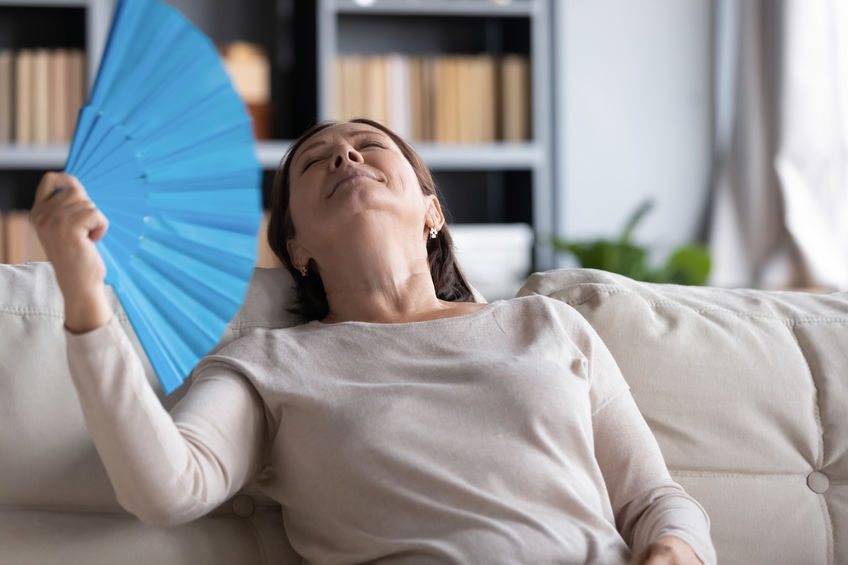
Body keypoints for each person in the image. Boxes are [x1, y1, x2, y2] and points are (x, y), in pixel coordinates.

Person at [30, 118, 717, 565]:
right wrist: (85, 294)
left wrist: (674, 551)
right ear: (296, 247)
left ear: (432, 211)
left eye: (367, 145)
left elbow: (654, 496)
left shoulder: (548, 325)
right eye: (315, 163)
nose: (346, 154)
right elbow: (165, 488)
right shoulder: (267, 364)